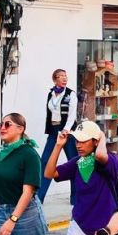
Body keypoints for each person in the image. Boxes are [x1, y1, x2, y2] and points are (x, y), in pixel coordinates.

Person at [39, 68, 78, 202]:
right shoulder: (51, 94)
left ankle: (75, 197)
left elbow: (72, 115)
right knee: (45, 161)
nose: (64, 78)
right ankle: (39, 196)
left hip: (67, 132)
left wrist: (65, 130)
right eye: (61, 76)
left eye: (65, 76)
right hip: (53, 130)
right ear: (55, 79)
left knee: (73, 162)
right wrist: (52, 130)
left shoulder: (71, 94)